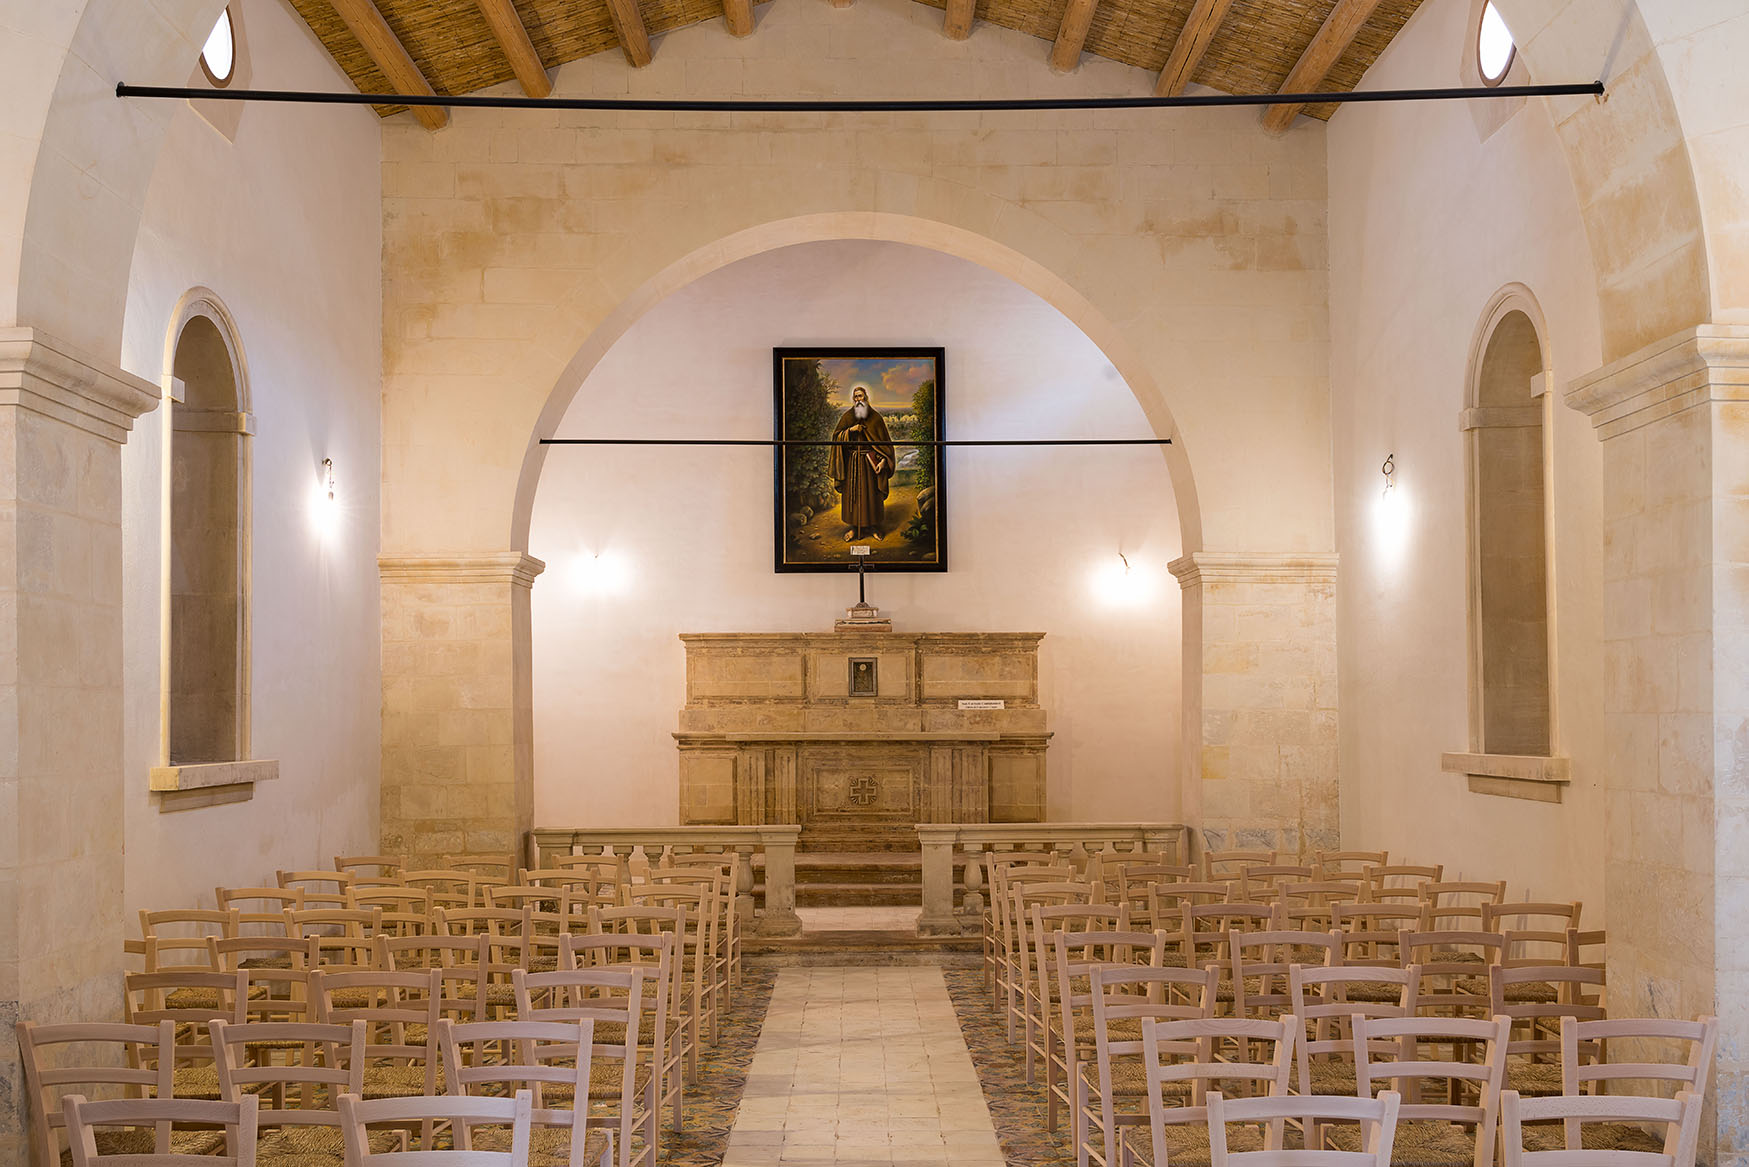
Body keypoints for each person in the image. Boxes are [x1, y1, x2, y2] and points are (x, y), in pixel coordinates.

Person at [828, 385, 897, 541]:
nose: (858, 399)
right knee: (854, 498)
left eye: (861, 396)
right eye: (856, 397)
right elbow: (836, 437)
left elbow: (886, 445)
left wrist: (884, 461)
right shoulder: (847, 417)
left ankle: (872, 527)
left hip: (871, 465)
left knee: (871, 496)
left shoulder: (876, 418)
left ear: (866, 397)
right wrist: (850, 431)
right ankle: (854, 528)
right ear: (854, 399)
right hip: (852, 463)